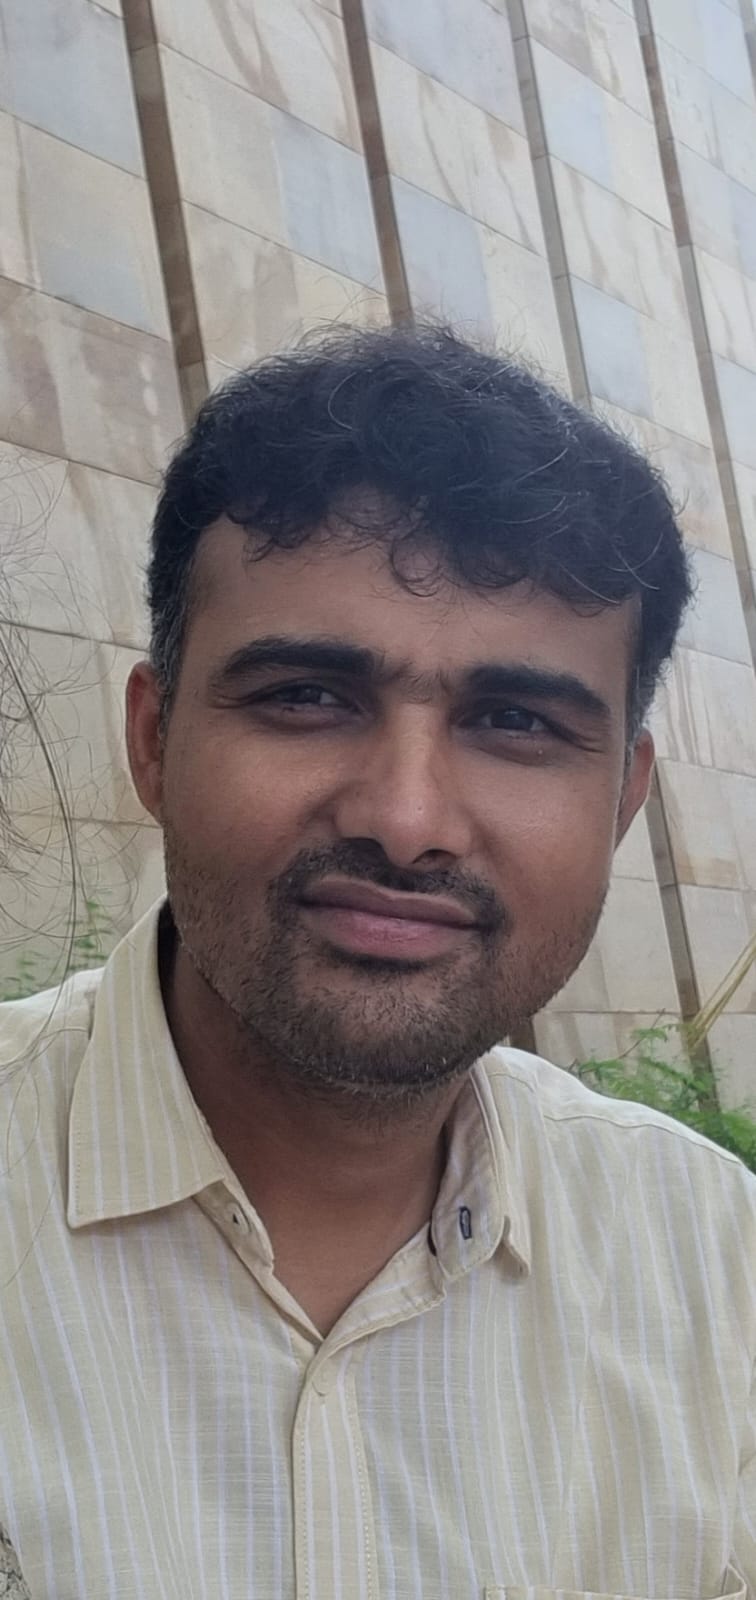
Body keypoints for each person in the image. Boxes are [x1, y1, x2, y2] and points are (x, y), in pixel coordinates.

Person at [0, 323, 753, 1600]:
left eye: (514, 720)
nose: (405, 820)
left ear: (623, 801)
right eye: (306, 695)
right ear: (155, 740)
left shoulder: (717, 1268)